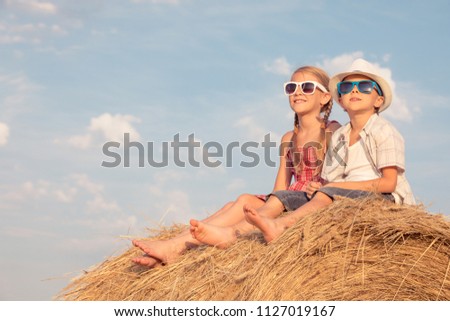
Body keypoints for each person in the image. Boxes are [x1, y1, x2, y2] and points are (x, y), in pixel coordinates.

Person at [132, 66, 340, 267]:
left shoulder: (332, 130)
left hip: (312, 199)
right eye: (291, 87)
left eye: (307, 87)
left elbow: (342, 175)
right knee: (236, 204)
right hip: (285, 198)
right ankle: (173, 246)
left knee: (243, 201)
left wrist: (323, 186)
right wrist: (269, 203)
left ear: (325, 97)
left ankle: (175, 247)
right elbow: (279, 189)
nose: (297, 92)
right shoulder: (288, 138)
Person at [243, 58, 416, 243]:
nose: (355, 90)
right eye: (346, 87)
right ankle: (242, 233)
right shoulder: (340, 135)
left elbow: (389, 183)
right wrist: (320, 186)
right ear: (340, 101)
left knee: (326, 194)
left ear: (379, 100)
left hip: (385, 198)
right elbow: (331, 181)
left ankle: (283, 225)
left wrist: (335, 188)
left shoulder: (384, 131)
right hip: (345, 195)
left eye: (364, 86)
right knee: (282, 197)